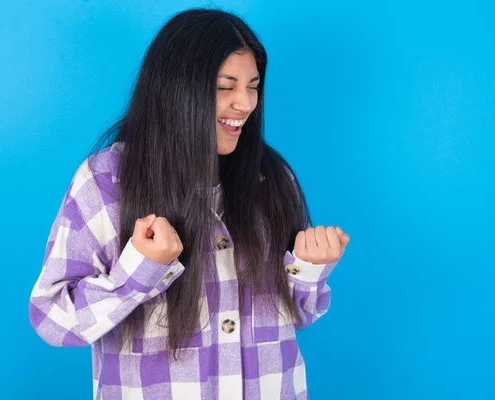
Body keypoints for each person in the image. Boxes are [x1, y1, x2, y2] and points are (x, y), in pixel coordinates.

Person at [29, 8, 350, 400]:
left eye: (253, 86)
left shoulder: (273, 181)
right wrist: (138, 273)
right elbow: (52, 319)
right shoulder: (108, 182)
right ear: (179, 89)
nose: (246, 103)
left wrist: (308, 272)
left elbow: (298, 316)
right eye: (226, 86)